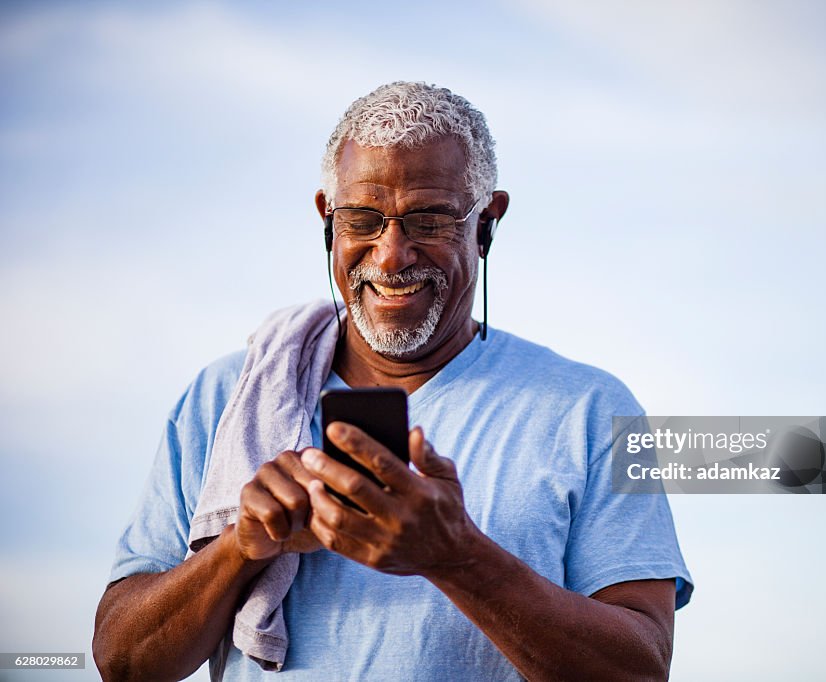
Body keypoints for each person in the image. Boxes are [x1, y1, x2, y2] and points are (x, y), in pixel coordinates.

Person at [93, 81, 692, 681]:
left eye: (428, 220)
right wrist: (240, 547)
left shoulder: (590, 410)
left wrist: (457, 556)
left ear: (487, 222)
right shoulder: (228, 398)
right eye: (364, 219)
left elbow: (638, 669)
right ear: (328, 219)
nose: (390, 256)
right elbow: (121, 661)